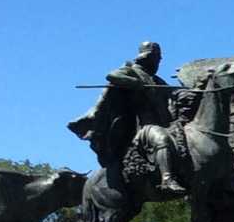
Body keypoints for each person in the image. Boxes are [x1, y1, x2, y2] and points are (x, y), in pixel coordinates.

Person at [68, 40, 179, 189]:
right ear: (148, 58)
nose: (158, 61)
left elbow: (173, 92)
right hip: (144, 125)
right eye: (157, 58)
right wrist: (135, 83)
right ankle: (167, 179)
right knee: (162, 138)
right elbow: (112, 76)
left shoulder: (157, 80)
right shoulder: (132, 71)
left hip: (165, 123)